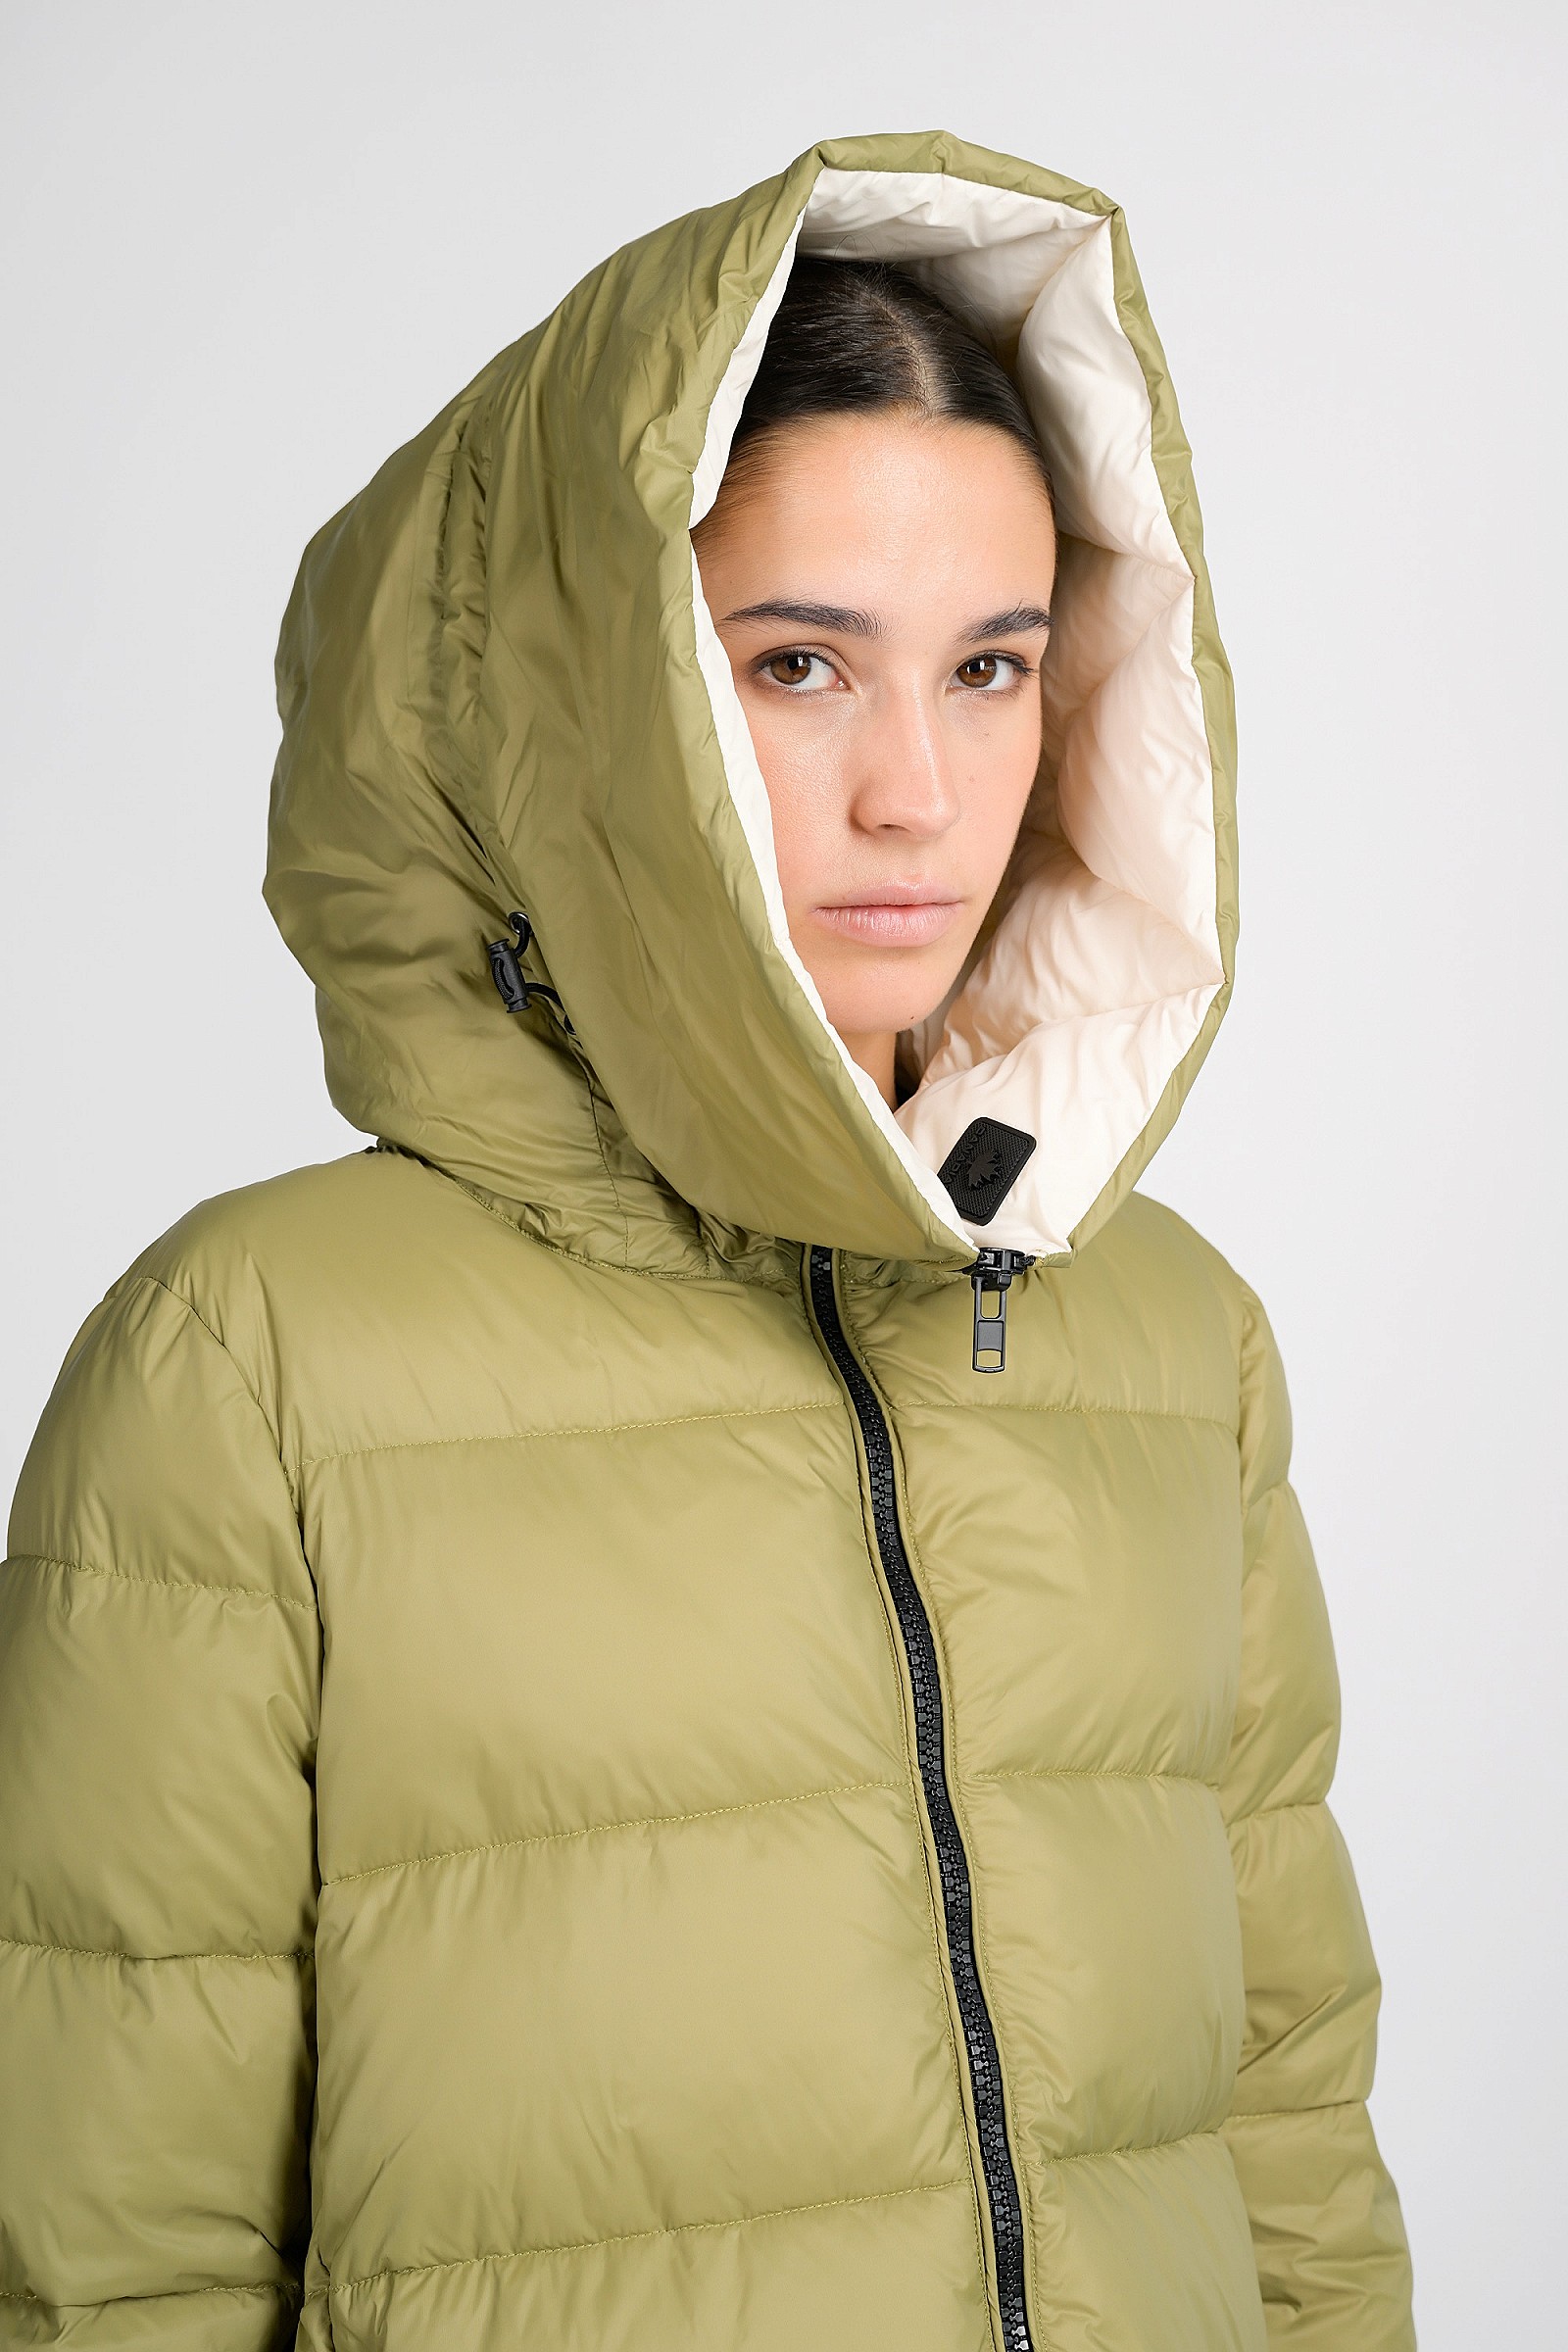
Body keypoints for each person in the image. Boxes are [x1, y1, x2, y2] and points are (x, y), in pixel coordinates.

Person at [0, 132, 1415, 2351]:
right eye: (796, 666)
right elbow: (111, 2267)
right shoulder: (249, 1363)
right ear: (578, 708)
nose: (915, 793)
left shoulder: (1170, 1337)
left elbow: (1288, 2143)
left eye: (989, 667)